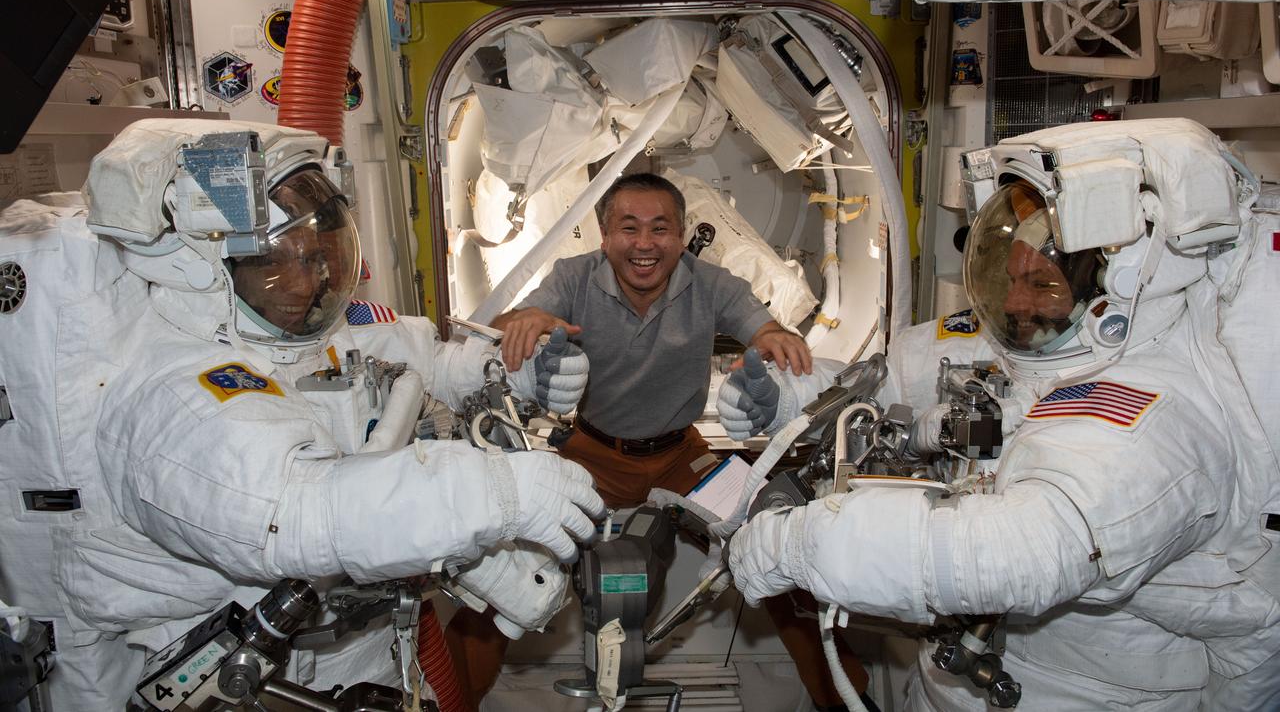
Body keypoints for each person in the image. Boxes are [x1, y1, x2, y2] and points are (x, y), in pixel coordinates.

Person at [0, 119, 605, 710]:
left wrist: (515, 371)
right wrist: (490, 493)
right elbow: (300, 510)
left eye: (318, 256)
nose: (306, 280)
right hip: (270, 678)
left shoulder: (302, 336)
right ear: (205, 268)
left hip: (368, 654)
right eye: (275, 262)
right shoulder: (176, 394)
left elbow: (423, 360)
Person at [721, 119, 1280, 711]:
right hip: (950, 679)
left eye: (1040, 284)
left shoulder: (1155, 413)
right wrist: (789, 399)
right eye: (1011, 279)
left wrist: (805, 545)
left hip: (1079, 693)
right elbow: (881, 389)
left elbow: (1023, 552)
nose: (1014, 302)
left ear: (1112, 286)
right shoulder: (1012, 344)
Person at [446, 172, 876, 712]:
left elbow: (763, 328)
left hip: (683, 456)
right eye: (629, 228)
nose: (644, 243)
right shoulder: (573, 278)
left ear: (680, 235)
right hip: (593, 456)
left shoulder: (712, 283)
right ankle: (454, 701)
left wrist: (775, 340)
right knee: (509, 572)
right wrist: (526, 319)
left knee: (778, 553)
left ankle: (848, 702)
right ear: (605, 236)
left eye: (660, 228)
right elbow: (512, 322)